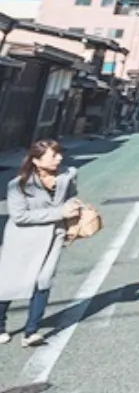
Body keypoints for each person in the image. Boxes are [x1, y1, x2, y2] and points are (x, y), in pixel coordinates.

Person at [0, 140, 82, 345]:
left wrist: (74, 208)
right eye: (53, 156)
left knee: (43, 281)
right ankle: (0, 324)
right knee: (11, 282)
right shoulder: (18, 184)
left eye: (59, 154)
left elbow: (72, 197)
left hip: (54, 236)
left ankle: (31, 331)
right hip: (22, 239)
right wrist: (59, 212)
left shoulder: (67, 176)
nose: (60, 158)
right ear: (36, 160)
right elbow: (19, 216)